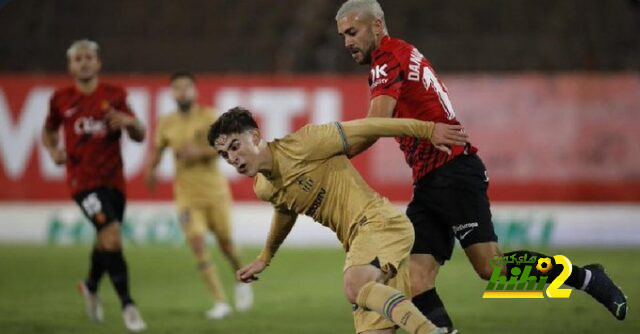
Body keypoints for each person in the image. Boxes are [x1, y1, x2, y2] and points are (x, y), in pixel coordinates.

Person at [334, 0, 628, 330]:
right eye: (343, 35)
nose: (347, 42)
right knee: (416, 277)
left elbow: (375, 124)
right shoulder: (402, 53)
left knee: (493, 268)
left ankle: (587, 278)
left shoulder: (387, 59)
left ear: (377, 26)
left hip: (453, 171)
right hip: (431, 180)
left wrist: (332, 150)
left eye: (352, 32)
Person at [208, 107, 469, 334]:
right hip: (363, 242)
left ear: (254, 136)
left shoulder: (306, 142)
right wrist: (265, 257)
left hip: (381, 222)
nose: (232, 158)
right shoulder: (263, 187)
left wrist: (428, 130)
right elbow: (285, 208)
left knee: (489, 265)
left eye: (234, 146)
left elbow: (371, 126)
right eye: (224, 155)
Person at [41, 39, 147, 332]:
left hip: (115, 181)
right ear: (70, 66)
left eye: (89, 57)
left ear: (98, 63)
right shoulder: (60, 99)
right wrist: (53, 152)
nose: (84, 62)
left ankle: (90, 286)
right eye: (78, 59)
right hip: (82, 182)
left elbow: (140, 133)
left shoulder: (115, 95)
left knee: (105, 237)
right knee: (112, 237)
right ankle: (128, 305)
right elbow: (48, 131)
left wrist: (128, 122)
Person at [144, 71, 253, 319]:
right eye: (177, 88)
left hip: (215, 193)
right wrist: (150, 170)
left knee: (226, 244)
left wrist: (199, 152)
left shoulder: (210, 117)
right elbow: (158, 150)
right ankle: (220, 302)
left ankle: (242, 279)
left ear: (195, 90)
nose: (182, 92)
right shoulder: (166, 122)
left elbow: (226, 146)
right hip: (187, 196)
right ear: (172, 93)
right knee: (197, 243)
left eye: (186, 87)